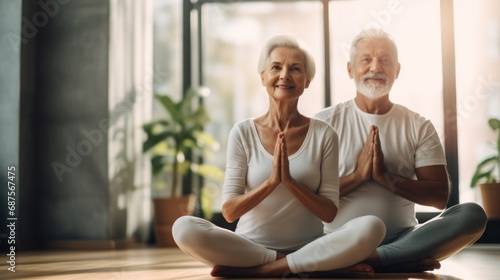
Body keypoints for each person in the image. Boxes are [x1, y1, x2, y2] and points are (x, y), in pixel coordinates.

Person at [172, 34, 386, 278]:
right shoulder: (243, 132)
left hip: (309, 245)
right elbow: (230, 212)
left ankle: (262, 271)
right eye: (276, 67)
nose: (285, 75)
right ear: (263, 76)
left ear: (307, 81)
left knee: (372, 226)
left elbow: (329, 213)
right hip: (250, 247)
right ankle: (297, 264)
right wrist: (272, 182)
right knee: (184, 227)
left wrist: (291, 183)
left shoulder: (324, 134)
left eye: (295, 69)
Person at [315, 28, 488, 273]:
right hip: (337, 239)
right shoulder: (323, 123)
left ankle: (370, 259)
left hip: (405, 239)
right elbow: (307, 196)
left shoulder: (418, 125)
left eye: (385, 60)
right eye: (366, 59)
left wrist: (386, 178)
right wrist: (360, 176)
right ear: (350, 69)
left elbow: (439, 197)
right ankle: (393, 260)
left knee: (472, 215)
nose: (376, 67)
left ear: (397, 70)